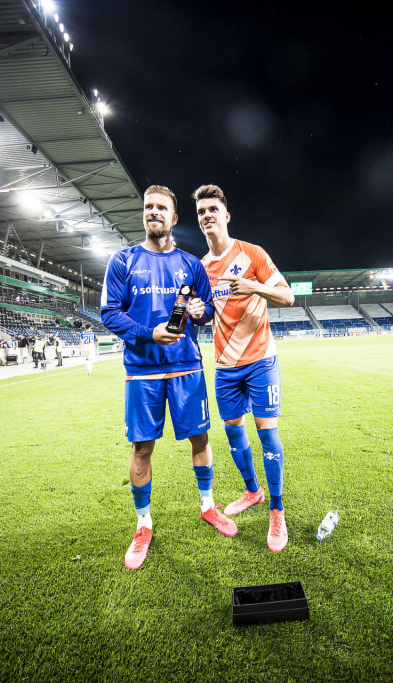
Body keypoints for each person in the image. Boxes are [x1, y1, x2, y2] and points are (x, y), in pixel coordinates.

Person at [100, 184, 235, 571]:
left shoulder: (191, 265)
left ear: (174, 218)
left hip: (186, 367)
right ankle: (143, 525)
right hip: (142, 371)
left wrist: (200, 311)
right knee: (142, 448)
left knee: (200, 438)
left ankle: (208, 506)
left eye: (161, 207)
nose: (153, 212)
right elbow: (109, 312)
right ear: (143, 214)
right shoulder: (123, 261)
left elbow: (206, 311)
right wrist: (149, 333)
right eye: (148, 207)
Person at [193, 184, 296, 552]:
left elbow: (287, 296)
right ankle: (252, 491)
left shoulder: (252, 253)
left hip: (260, 360)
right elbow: (206, 313)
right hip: (225, 367)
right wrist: (197, 312)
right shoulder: (201, 268)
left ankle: (276, 510)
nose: (207, 216)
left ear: (226, 215)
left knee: (268, 435)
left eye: (212, 210)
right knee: (233, 434)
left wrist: (253, 286)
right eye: (201, 211)